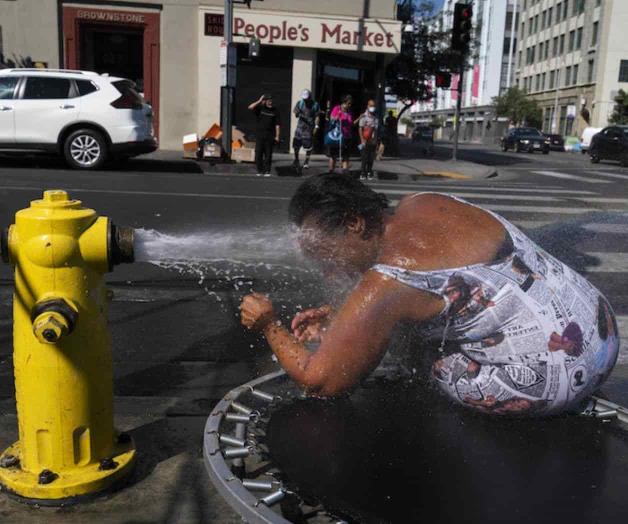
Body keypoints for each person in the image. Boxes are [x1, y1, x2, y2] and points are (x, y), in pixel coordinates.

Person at [239, 174, 619, 416]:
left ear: (355, 223)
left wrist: (270, 325)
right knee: (397, 319)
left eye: (328, 256)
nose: (329, 270)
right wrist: (346, 318)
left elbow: (321, 382)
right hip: (600, 328)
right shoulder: (421, 201)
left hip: (560, 378)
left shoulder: (388, 283)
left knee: (410, 342)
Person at [248, 94, 281, 177]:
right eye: (268, 100)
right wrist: (259, 101)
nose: (270, 101)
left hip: (270, 136)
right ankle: (260, 170)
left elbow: (277, 125)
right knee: (258, 154)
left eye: (271, 100)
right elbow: (250, 107)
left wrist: (277, 136)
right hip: (260, 135)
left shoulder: (275, 111)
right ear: (265, 101)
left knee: (268, 154)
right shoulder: (261, 109)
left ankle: (267, 171)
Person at [292, 89, 320, 174]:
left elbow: (317, 116)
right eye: (304, 98)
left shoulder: (315, 105)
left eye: (307, 98)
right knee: (296, 144)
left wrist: (316, 126)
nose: (305, 100)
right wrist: (299, 114)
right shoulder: (299, 103)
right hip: (300, 127)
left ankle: (306, 161)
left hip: (309, 128)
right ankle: (296, 159)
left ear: (310, 97)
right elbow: (295, 113)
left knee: (308, 145)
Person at [327, 95, 354, 174]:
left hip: (346, 136)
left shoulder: (349, 111)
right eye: (348, 103)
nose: (349, 105)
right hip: (337, 136)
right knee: (334, 155)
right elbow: (331, 119)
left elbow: (350, 122)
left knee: (345, 156)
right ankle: (331, 172)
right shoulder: (337, 108)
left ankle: (344, 172)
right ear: (343, 103)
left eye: (350, 104)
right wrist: (337, 117)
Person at [358, 99, 380, 180]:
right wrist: (362, 140)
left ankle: (369, 172)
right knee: (364, 157)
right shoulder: (364, 116)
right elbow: (360, 129)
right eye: (371, 106)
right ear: (367, 106)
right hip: (364, 139)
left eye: (373, 106)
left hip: (372, 140)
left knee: (371, 158)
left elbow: (376, 130)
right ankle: (362, 173)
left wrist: (376, 140)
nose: (372, 107)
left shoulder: (375, 118)